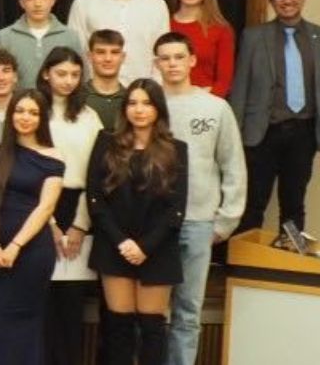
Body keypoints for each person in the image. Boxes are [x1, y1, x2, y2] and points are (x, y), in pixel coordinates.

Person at [152, 31, 245, 365]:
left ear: (192, 60)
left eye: (179, 57)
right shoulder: (148, 106)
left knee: (188, 312)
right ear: (156, 64)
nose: (172, 64)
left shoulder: (216, 108)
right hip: (153, 226)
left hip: (199, 222)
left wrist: (226, 220)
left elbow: (232, 165)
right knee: (151, 315)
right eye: (165, 58)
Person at [230, 0, 320, 235]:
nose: (286, 0)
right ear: (271, 1)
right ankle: (245, 266)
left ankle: (289, 263)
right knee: (252, 203)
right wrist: (233, 137)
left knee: (294, 203)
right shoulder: (254, 37)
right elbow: (241, 87)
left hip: (303, 133)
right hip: (261, 133)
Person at [88, 79, 187, 365]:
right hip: (114, 244)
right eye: (132, 103)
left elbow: (176, 209)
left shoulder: (176, 149)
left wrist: (145, 247)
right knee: (118, 326)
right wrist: (121, 241)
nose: (139, 110)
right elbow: (96, 199)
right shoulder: (106, 142)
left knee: (152, 328)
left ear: (158, 109)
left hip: (157, 248)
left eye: (146, 103)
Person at [0, 89, 65, 365]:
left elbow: (46, 208)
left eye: (33, 112)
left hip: (32, 250)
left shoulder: (54, 157)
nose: (25, 117)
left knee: (28, 322)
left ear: (42, 118)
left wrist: (15, 246)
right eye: (19, 111)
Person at [39, 48, 105, 365]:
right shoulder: (33, 111)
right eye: (61, 73)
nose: (68, 81)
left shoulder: (89, 116)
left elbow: (95, 173)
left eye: (75, 75)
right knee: (41, 300)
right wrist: (48, 222)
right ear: (45, 74)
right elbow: (29, 168)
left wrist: (79, 224)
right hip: (38, 209)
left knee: (71, 302)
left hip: (78, 206)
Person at [0, 0, 83, 89]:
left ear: (53, 0)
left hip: (59, 105)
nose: (37, 3)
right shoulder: (4, 37)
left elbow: (81, 78)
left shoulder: (70, 36)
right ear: (21, 2)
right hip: (17, 105)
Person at [168, 0, 235, 97]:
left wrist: (203, 101)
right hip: (165, 103)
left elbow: (224, 81)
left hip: (205, 105)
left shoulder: (221, 29)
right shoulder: (163, 23)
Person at [81, 31, 131, 131]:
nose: (108, 58)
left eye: (115, 52)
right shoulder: (77, 97)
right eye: (100, 52)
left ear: (123, 57)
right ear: (90, 56)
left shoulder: (130, 100)